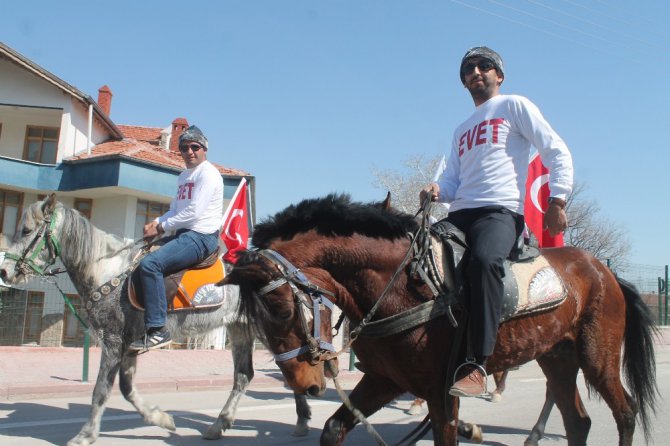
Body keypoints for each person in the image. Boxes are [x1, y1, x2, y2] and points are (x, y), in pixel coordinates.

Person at [420, 46, 573, 397]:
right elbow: (452, 181)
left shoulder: (515, 105)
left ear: (498, 76)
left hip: (500, 212)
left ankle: (478, 363)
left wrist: (558, 199)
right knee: (420, 259)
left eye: (484, 66)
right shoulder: (461, 129)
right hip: (460, 214)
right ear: (463, 82)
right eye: (468, 69)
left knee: (485, 262)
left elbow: (556, 149)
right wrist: (436, 189)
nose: (476, 71)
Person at [130, 125, 224, 351]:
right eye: (184, 148)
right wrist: (156, 222)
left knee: (150, 265)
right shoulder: (184, 176)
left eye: (195, 147)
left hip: (201, 237)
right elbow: (176, 209)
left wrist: (161, 227)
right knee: (139, 255)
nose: (190, 151)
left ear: (204, 149)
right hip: (184, 234)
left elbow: (194, 213)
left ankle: (157, 330)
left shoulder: (208, 173)